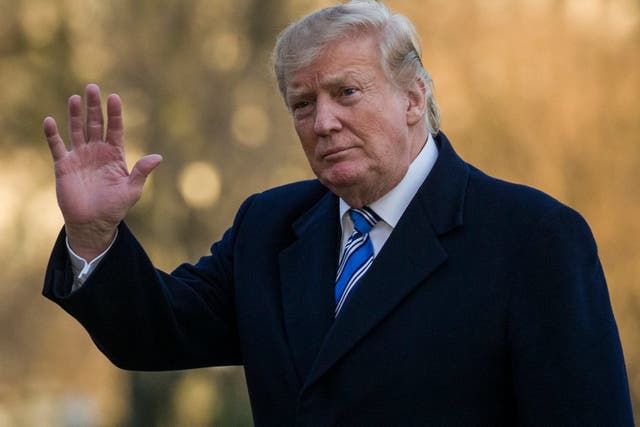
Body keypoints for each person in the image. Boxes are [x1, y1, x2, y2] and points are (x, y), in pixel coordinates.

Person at [42, 1, 634, 425]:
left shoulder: (533, 237)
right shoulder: (268, 229)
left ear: (413, 97)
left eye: (345, 93)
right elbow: (156, 334)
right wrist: (94, 234)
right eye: (302, 103)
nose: (322, 122)